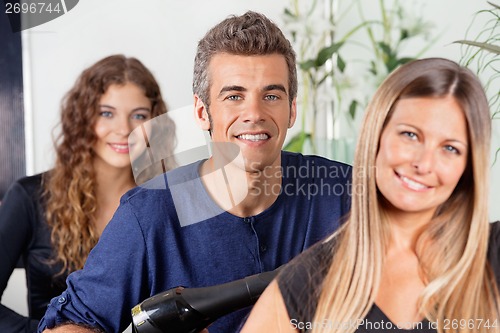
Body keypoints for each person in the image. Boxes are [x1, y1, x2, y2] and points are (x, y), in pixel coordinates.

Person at [37, 11, 352, 333]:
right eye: (234, 96)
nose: (254, 113)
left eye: (271, 96)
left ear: (292, 110)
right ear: (202, 112)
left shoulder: (344, 194)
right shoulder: (147, 215)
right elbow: (66, 325)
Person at [241, 57, 500, 333]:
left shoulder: (493, 256)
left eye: (450, 149)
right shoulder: (307, 281)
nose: (424, 164)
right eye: (410, 135)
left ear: (468, 167)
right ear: (376, 135)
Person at [0, 54, 175, 333]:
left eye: (139, 116)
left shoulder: (169, 200)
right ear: (82, 118)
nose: (124, 130)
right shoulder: (29, 197)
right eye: (107, 113)